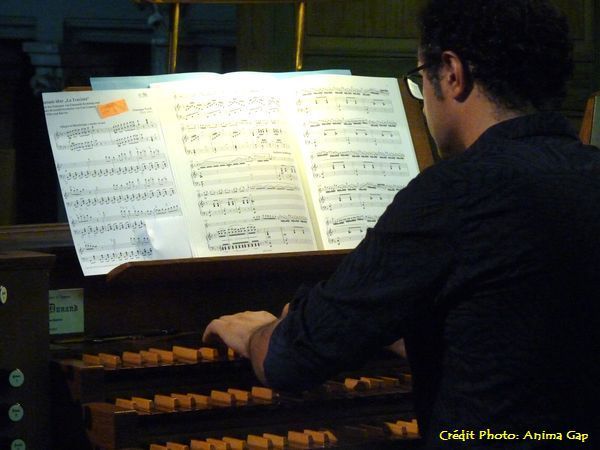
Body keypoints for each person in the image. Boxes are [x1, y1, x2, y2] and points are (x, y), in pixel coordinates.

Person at [203, 0, 600, 447]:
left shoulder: (455, 192)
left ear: (451, 72)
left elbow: (293, 359)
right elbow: (523, 335)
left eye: (418, 80)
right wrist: (409, 330)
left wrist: (257, 334)